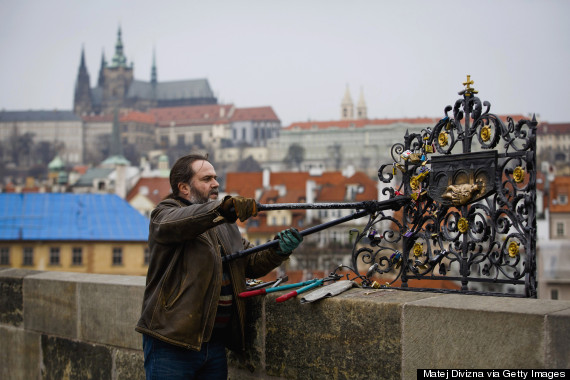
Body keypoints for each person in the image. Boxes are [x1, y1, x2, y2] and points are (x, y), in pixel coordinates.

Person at [135, 153, 303, 380]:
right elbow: (183, 221)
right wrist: (221, 210)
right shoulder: (164, 214)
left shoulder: (224, 224)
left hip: (213, 345)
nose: (216, 184)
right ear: (184, 187)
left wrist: (277, 249)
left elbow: (249, 262)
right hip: (171, 342)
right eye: (206, 179)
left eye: (215, 177)